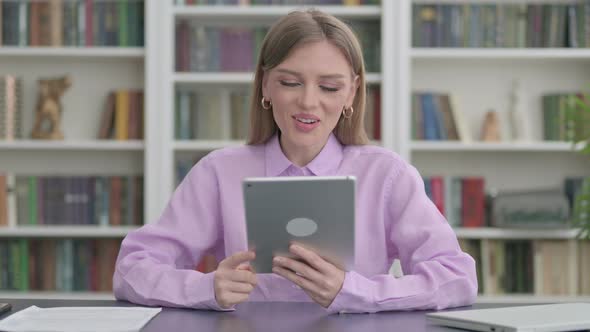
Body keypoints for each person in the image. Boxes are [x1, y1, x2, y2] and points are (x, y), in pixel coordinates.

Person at [113, 9, 477, 314]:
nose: (308, 102)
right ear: (266, 86)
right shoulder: (219, 172)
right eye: (290, 82)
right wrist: (206, 287)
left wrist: (356, 291)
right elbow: (132, 269)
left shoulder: (387, 175)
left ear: (352, 91)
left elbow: (457, 278)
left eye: (329, 87)